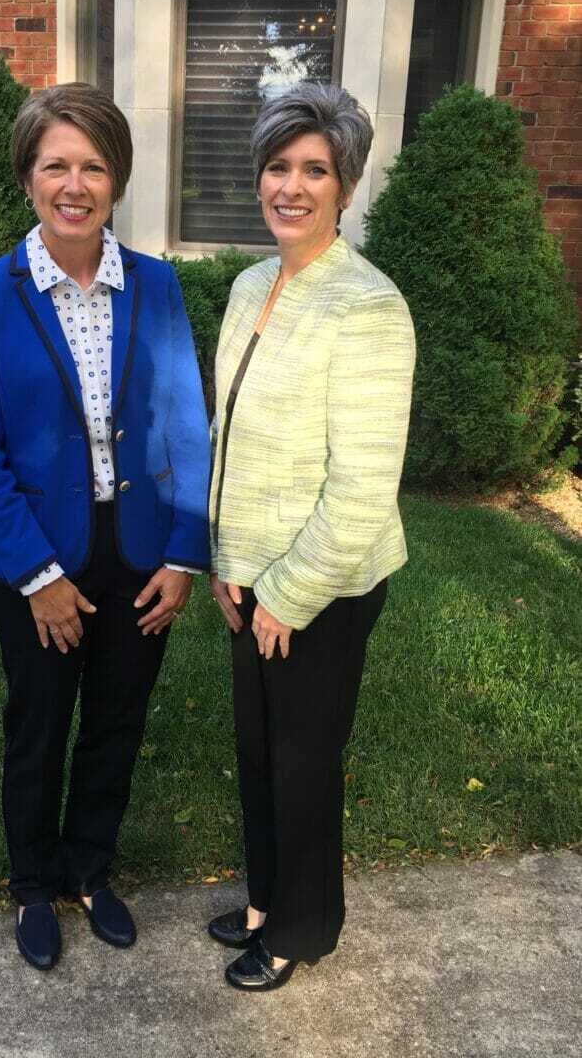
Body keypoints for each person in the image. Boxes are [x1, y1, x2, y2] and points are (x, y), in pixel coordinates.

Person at [0, 83, 210, 971]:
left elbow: (185, 423)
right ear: (28, 176)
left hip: (138, 547)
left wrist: (184, 555)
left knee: (116, 720)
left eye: (93, 164)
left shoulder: (158, 285)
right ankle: (32, 883)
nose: (75, 182)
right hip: (38, 553)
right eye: (56, 163)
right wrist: (38, 576)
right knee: (40, 721)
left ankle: (91, 867)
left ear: (116, 179)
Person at [207, 82, 415, 991]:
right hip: (249, 576)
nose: (292, 186)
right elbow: (230, 440)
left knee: (302, 761)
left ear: (345, 184)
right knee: (258, 751)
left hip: (324, 586)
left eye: (315, 170)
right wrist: (226, 565)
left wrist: (288, 593)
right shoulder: (255, 282)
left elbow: (363, 487)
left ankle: (299, 927)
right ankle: (263, 897)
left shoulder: (367, 307)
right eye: (279, 166)